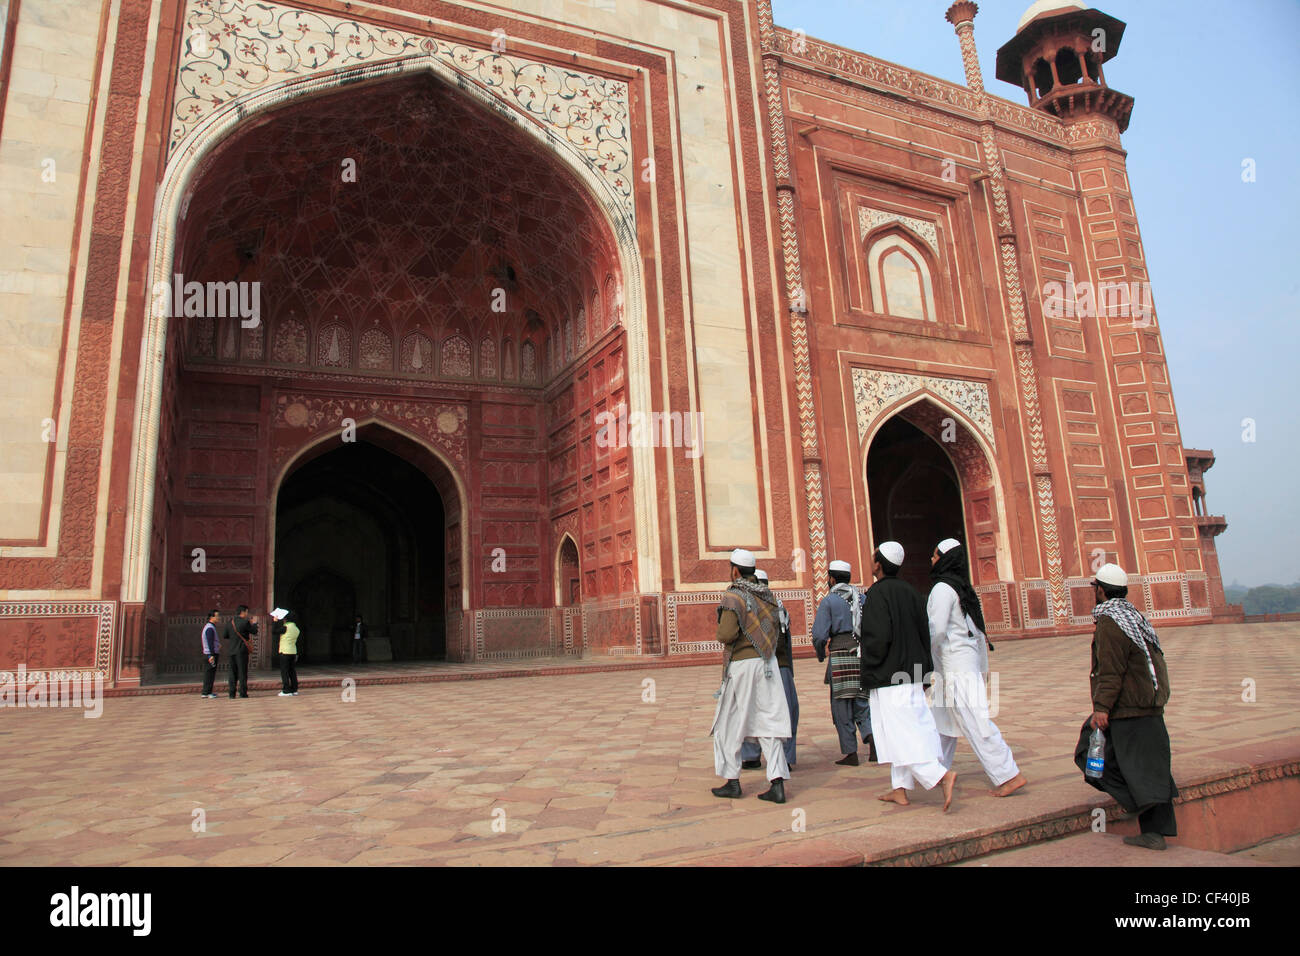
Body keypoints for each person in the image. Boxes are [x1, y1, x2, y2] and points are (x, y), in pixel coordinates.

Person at [1074, 563, 1177, 850]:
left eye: (1095, 587)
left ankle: (1137, 804)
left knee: (1089, 755)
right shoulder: (1133, 615)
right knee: (1151, 769)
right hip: (1149, 705)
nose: (1094, 592)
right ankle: (1154, 833)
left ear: (1102, 590)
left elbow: (1111, 670)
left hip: (1129, 708)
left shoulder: (1110, 621)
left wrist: (1102, 708)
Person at [860, 541, 956, 810]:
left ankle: (940, 776)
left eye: (872, 558)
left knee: (901, 732)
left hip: (890, 675)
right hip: (911, 672)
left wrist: (869, 666)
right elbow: (925, 633)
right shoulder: (912, 592)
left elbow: (877, 639)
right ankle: (899, 789)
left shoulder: (878, 594)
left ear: (878, 564)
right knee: (902, 728)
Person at [927, 538, 1026, 797]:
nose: (932, 559)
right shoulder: (963, 589)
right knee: (942, 722)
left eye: (935, 555)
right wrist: (982, 670)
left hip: (955, 665)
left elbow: (935, 631)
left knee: (975, 721)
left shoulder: (942, 589)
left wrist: (925, 662)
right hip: (963, 662)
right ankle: (936, 772)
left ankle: (1008, 774)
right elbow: (979, 634)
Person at [710, 548, 792, 803]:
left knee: (728, 723)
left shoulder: (734, 596)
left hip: (743, 666)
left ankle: (732, 780)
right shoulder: (767, 595)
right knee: (768, 722)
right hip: (768, 665)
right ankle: (777, 783)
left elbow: (726, 635)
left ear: (734, 570)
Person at [811, 559, 874, 766]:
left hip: (840, 654)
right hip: (862, 655)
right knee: (862, 701)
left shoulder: (830, 600)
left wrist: (821, 653)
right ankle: (873, 743)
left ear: (831, 578)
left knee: (841, 705)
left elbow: (820, 634)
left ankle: (851, 752)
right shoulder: (862, 598)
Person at [740, 569, 799, 770]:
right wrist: (789, 671)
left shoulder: (749, 606)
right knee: (785, 713)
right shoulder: (779, 607)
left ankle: (751, 756)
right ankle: (786, 758)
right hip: (781, 667)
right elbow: (787, 643)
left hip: (756, 667)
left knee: (750, 711)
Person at [225, 604, 258, 699]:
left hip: (232, 650)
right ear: (243, 612)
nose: (247, 614)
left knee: (232, 672)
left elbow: (225, 635)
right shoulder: (245, 622)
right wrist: (254, 623)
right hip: (242, 651)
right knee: (242, 672)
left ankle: (232, 693)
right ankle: (243, 693)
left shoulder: (229, 622)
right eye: (247, 612)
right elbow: (254, 631)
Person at [272, 608, 300, 697]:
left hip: (285, 651)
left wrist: (275, 621)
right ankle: (294, 689)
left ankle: (286, 690)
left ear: (286, 619)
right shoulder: (296, 628)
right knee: (292, 671)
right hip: (293, 651)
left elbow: (274, 631)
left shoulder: (286, 627)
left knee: (285, 671)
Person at [200, 609, 221, 698]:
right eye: (217, 616)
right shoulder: (209, 628)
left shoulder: (210, 627)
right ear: (212, 617)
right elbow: (210, 642)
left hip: (210, 653)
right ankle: (206, 692)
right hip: (210, 654)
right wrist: (211, 655)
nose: (218, 618)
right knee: (209, 673)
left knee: (210, 673)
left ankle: (208, 692)